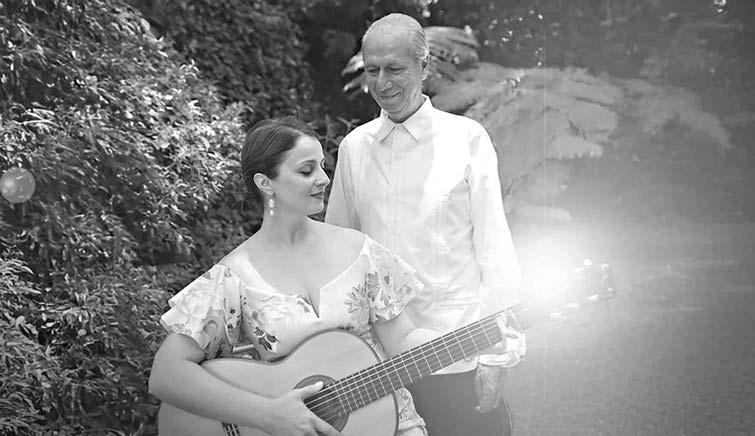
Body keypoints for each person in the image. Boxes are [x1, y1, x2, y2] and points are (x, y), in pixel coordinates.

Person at [148, 117, 440, 435]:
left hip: (394, 424)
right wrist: (267, 415)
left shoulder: (360, 250)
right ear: (265, 183)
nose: (324, 179)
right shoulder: (235, 276)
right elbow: (167, 374)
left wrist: (471, 339)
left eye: (322, 167)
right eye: (306, 170)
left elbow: (402, 340)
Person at [325, 13, 525, 436]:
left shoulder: (466, 139)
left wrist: (497, 355)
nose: (382, 83)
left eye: (395, 69)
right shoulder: (354, 148)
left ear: (424, 67)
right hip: (380, 366)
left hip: (458, 352)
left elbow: (495, 251)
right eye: (373, 70)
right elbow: (338, 255)